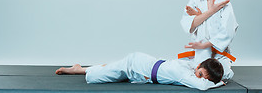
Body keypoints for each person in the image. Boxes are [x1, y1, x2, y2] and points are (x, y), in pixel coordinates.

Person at [180, 0, 238, 81]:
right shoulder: (195, 2)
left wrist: (199, 16)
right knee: (182, 70)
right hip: (198, 53)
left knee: (222, 73)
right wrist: (211, 12)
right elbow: (189, 24)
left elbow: (228, 31)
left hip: (218, 55)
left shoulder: (225, 5)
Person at [55, 52, 224, 90]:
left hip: (142, 70)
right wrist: (219, 83)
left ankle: (79, 68)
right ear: (199, 67)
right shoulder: (184, 73)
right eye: (200, 74)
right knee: (100, 76)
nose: (198, 77)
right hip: (137, 65)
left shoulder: (191, 66)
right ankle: (78, 70)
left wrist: (216, 77)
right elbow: (201, 86)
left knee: (110, 71)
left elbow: (208, 75)